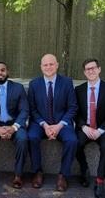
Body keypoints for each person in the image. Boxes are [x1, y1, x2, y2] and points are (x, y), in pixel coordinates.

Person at [27, 54, 77, 191]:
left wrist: (60, 125)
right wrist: (44, 124)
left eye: (51, 64)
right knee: (31, 137)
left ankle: (63, 175)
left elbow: (72, 107)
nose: (48, 67)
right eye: (45, 65)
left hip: (62, 123)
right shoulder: (34, 84)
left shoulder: (67, 82)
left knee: (72, 140)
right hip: (40, 123)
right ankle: (37, 172)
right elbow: (32, 109)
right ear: (41, 67)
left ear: (57, 65)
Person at [75, 58, 105, 198]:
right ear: (84, 72)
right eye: (88, 69)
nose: (91, 71)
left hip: (104, 129)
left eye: (93, 68)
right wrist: (83, 126)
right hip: (86, 127)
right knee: (75, 143)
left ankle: (100, 181)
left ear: (99, 69)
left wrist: (100, 130)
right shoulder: (79, 89)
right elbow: (75, 112)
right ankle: (84, 169)